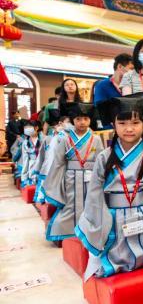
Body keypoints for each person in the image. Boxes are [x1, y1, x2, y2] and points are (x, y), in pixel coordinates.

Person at [76, 93, 143, 280]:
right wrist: (97, 225)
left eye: (135, 123)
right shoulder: (104, 157)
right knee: (114, 257)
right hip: (114, 218)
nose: (129, 128)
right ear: (113, 125)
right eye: (122, 123)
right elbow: (94, 195)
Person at [43, 103, 104, 242]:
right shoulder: (66, 139)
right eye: (78, 119)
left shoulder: (96, 139)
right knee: (71, 202)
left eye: (85, 119)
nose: (82, 122)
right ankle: (67, 229)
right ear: (72, 121)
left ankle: (88, 230)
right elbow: (58, 161)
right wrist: (54, 179)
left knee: (90, 202)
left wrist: (100, 178)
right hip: (70, 177)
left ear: (90, 120)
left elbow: (100, 160)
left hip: (90, 177)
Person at [34, 113, 70, 204]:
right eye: (68, 122)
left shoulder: (69, 137)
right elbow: (41, 155)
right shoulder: (48, 139)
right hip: (48, 166)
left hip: (61, 168)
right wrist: (37, 169)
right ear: (60, 123)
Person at [94, 53, 133, 127]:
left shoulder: (132, 86)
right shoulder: (102, 85)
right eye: (131, 69)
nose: (133, 72)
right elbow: (100, 111)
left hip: (130, 127)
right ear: (120, 66)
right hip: (109, 129)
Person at [19, 120, 43, 188]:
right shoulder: (25, 143)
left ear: (36, 128)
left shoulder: (44, 140)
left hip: (43, 168)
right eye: (25, 128)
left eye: (29, 127)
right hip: (32, 168)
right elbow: (25, 161)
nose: (26, 129)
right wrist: (24, 178)